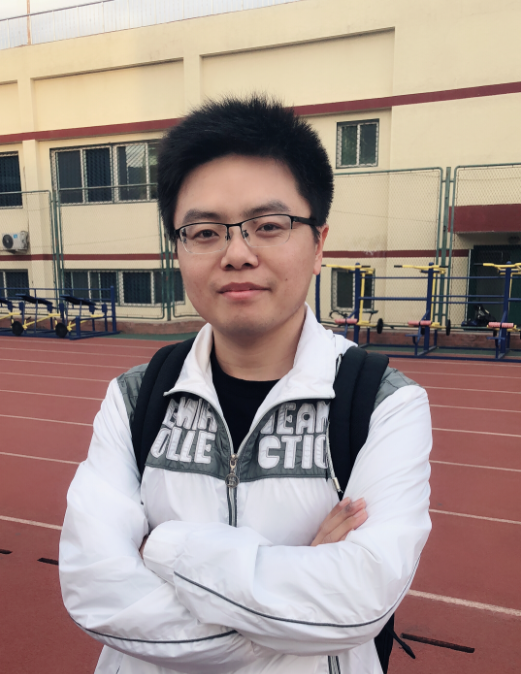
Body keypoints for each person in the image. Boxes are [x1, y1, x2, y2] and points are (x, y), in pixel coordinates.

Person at [59, 96, 432, 674]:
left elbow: (358, 602)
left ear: (318, 244)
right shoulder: (134, 396)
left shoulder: (384, 402)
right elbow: (97, 591)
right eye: (204, 231)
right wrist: (298, 588)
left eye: (269, 226)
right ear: (178, 250)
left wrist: (163, 551)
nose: (237, 253)